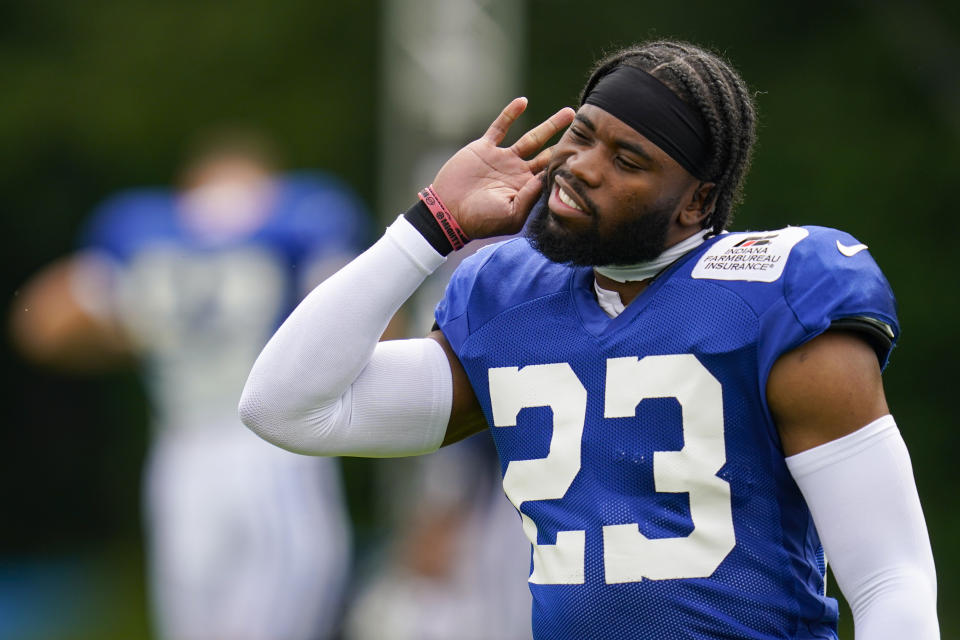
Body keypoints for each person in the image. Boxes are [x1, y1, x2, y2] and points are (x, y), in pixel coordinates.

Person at [239, 40, 939, 639]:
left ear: (697, 201)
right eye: (584, 134)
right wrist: (431, 226)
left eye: (628, 160)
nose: (583, 166)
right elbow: (283, 406)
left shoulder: (779, 294)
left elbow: (890, 578)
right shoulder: (510, 298)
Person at [12, 131, 367, 640]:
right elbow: (372, 323)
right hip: (281, 447)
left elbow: (40, 325)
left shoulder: (142, 231)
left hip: (183, 458)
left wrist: (135, 331)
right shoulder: (304, 217)